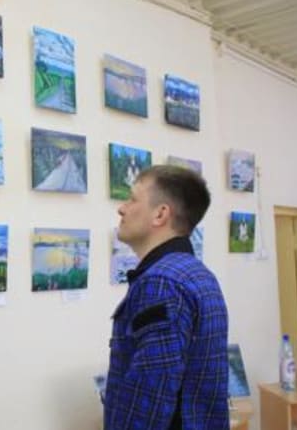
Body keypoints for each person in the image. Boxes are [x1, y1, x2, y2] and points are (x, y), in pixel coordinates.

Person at [104, 165, 229, 430]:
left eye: (132, 199)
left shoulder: (162, 282)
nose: (122, 209)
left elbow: (150, 395)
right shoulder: (198, 274)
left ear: (160, 214)